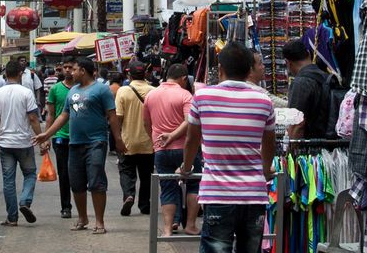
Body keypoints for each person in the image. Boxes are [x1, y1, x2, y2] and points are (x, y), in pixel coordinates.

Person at [180, 43, 276, 253]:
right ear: (250, 69)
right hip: (254, 194)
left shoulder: (202, 97)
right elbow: (269, 143)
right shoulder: (264, 101)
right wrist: (265, 170)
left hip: (218, 193)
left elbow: (191, 140)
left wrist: (186, 168)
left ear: (220, 68)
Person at [35, 57, 125, 234]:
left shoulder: (101, 90)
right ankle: (82, 218)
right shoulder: (72, 91)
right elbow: (64, 115)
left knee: (96, 181)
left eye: (74, 69)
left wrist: (118, 139)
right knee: (76, 183)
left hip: (96, 142)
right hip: (75, 143)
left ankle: (99, 221)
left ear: (83, 71)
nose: (70, 72)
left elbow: (112, 115)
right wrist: (47, 133)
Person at [149, 63, 202, 237]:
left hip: (161, 149)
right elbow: (190, 121)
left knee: (168, 187)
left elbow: (146, 123)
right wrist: (172, 135)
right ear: (183, 78)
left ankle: (167, 229)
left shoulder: (152, 94)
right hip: (185, 149)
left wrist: (156, 140)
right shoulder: (185, 95)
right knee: (194, 184)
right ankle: (191, 225)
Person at [0, 60, 43, 227]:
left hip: (5, 143)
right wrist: (41, 138)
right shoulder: (26, 93)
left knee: (8, 181)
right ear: (21, 74)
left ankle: (12, 217)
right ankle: (25, 201)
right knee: (30, 174)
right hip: (24, 142)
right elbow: (33, 118)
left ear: (6, 74)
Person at [116, 61, 155, 217]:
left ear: (128, 74)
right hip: (148, 142)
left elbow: (118, 118)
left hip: (128, 141)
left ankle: (128, 195)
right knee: (146, 176)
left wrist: (117, 138)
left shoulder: (123, 91)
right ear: (145, 73)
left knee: (126, 172)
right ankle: (145, 205)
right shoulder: (153, 91)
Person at [45, 59, 77, 219]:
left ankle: (81, 206)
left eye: (71, 67)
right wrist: (46, 136)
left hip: (80, 138)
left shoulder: (82, 88)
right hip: (60, 137)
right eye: (65, 67)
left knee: (78, 174)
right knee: (64, 173)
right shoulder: (55, 89)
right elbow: (50, 115)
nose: (68, 70)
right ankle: (66, 207)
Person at [283, 39, 330, 139]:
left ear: (288, 63)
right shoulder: (326, 77)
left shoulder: (300, 83)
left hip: (311, 148)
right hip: (331, 146)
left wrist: (291, 152)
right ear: (309, 54)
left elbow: (297, 124)